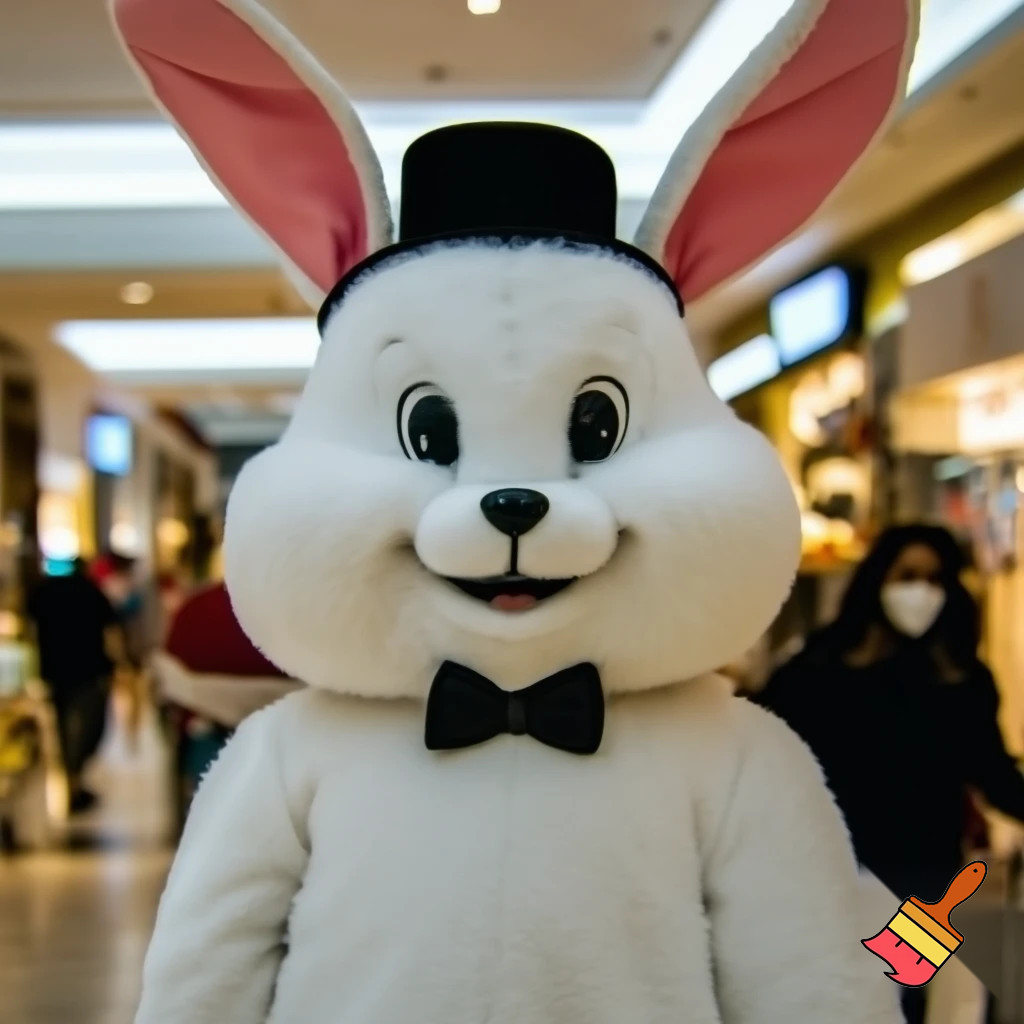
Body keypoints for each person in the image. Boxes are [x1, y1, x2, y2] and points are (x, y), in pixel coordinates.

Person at [756, 524, 1024, 1024]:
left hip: (928, 884)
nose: (921, 591)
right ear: (879, 579)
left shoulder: (960, 679)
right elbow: (765, 755)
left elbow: (993, 772)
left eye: (936, 579)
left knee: (907, 1006)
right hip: (836, 878)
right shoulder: (818, 670)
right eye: (908, 575)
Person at [25, 557, 128, 813]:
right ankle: (74, 778)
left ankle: (72, 779)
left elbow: (29, 627)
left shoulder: (44, 592)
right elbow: (112, 628)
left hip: (56, 670)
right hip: (88, 669)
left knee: (64, 728)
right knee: (91, 726)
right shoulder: (91, 592)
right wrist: (123, 660)